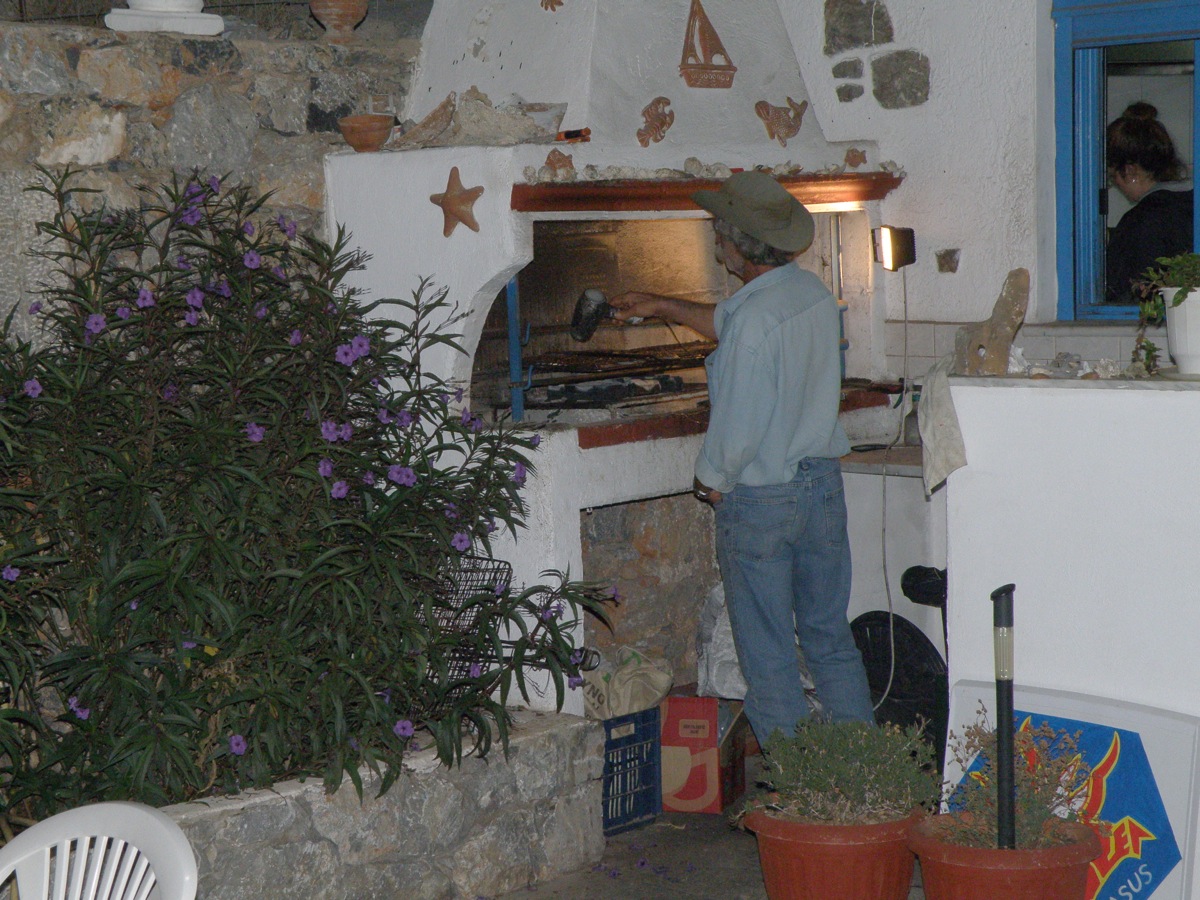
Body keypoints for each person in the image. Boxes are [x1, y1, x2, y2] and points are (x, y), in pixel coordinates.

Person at [609, 171, 875, 744]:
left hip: (762, 499)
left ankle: (800, 784)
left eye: (719, 232)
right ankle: (862, 774)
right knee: (829, 639)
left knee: (768, 653)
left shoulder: (753, 321)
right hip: (822, 488)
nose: (715, 241)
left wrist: (710, 481)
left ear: (738, 245)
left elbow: (738, 428)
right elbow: (730, 321)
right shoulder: (811, 294)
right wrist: (661, 304)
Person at [1106, 101, 1194, 303]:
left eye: (1112, 176)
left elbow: (1125, 293)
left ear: (1129, 171)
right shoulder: (1191, 207)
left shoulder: (1140, 221)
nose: (1115, 184)